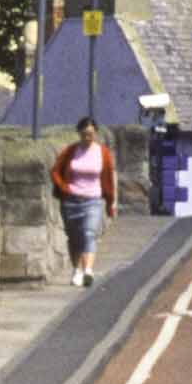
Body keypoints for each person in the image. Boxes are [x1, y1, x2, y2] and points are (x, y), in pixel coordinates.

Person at [50, 116, 117, 286]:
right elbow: (56, 171)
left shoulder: (102, 153)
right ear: (79, 134)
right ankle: (76, 270)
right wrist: (65, 188)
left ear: (96, 134)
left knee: (88, 233)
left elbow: (108, 178)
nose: (88, 138)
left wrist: (110, 202)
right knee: (74, 238)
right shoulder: (71, 151)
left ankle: (88, 270)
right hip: (71, 201)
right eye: (85, 134)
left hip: (92, 200)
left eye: (91, 134)